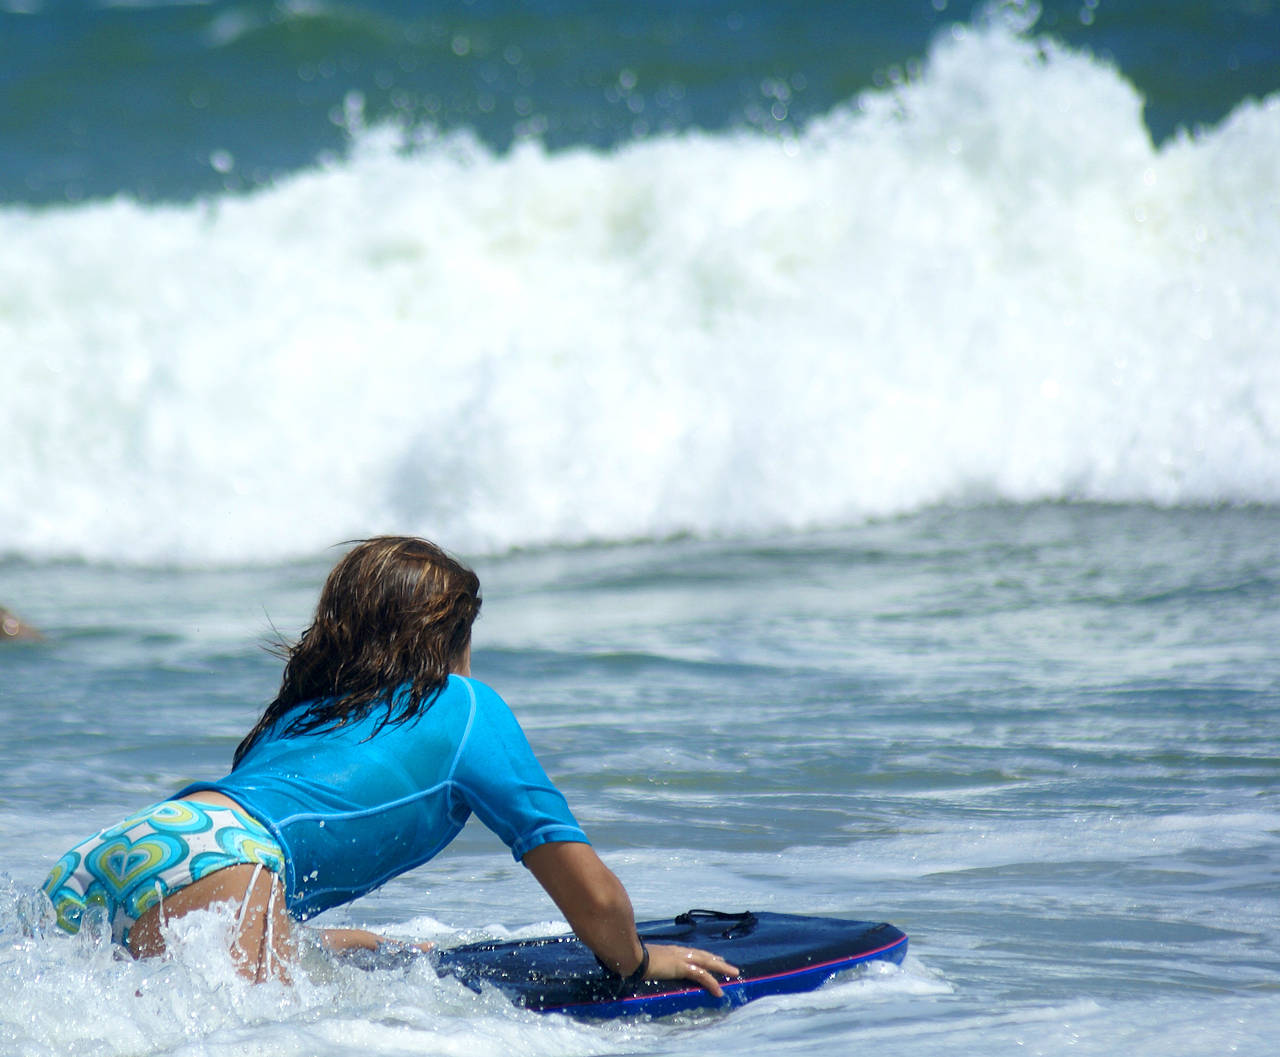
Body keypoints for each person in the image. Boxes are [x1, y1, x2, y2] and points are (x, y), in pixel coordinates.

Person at [40, 537, 739, 993]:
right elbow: (593, 897)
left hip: (116, 853)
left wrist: (379, 949)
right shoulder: (465, 706)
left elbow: (258, 888)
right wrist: (638, 959)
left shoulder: (306, 712)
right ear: (454, 635)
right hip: (229, 859)